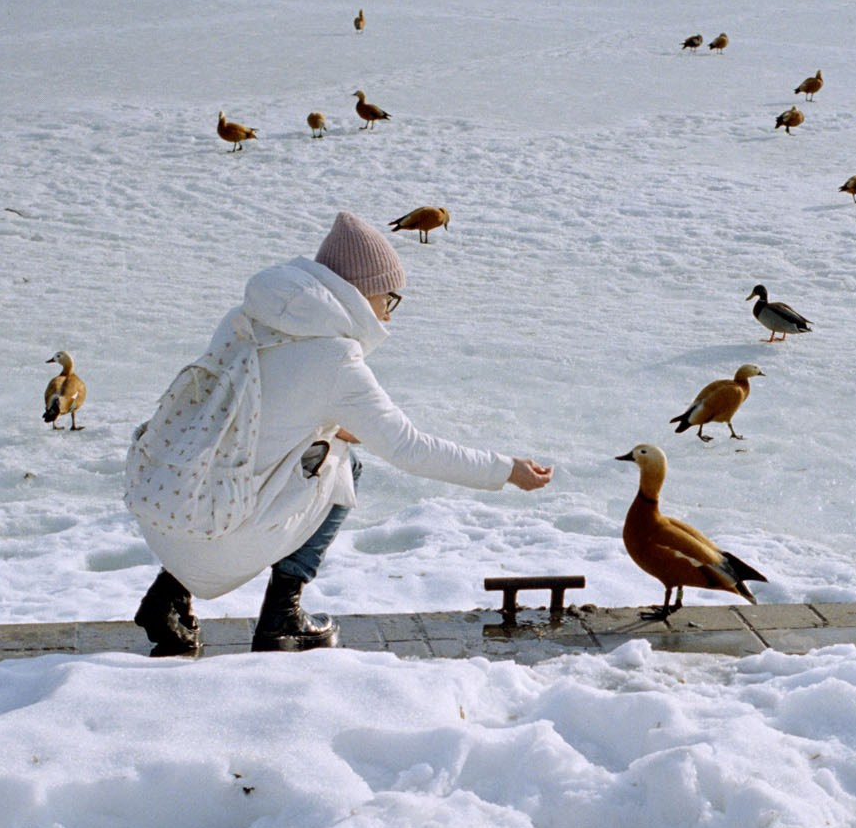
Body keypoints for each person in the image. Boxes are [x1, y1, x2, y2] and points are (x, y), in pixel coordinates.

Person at [125, 211, 552, 655]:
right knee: (347, 466)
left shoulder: (246, 318)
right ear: (360, 291)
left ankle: (167, 595)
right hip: (214, 540)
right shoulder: (335, 359)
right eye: (391, 297)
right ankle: (282, 618)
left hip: (167, 515)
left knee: (326, 442)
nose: (391, 311)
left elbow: (251, 413)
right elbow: (409, 448)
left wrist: (327, 421)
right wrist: (504, 470)